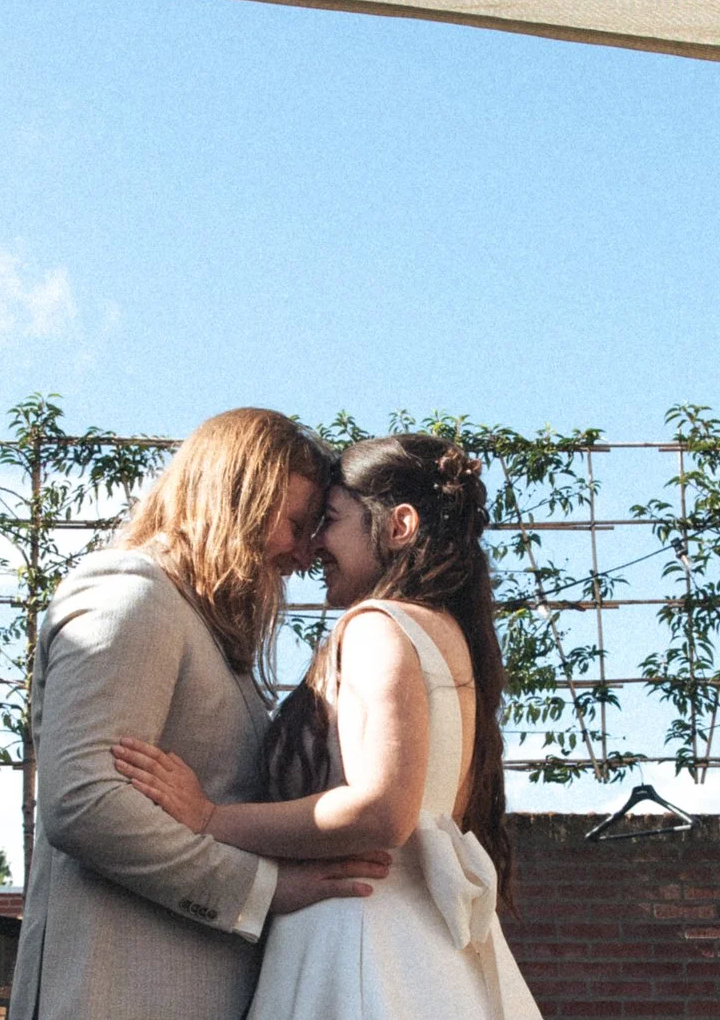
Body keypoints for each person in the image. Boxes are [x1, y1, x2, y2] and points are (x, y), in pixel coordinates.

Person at [116, 433, 543, 1019]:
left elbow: (383, 811)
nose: (315, 545)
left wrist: (211, 818)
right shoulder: (451, 636)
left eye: (331, 522)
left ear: (398, 525)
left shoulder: (377, 625)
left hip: (356, 943)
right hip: (430, 957)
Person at [13, 407, 394, 1020]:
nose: (302, 554)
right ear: (234, 491)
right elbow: (83, 803)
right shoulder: (131, 592)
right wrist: (266, 889)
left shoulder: (207, 632)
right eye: (295, 524)